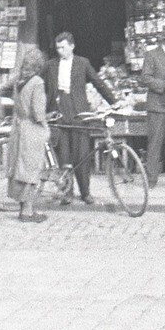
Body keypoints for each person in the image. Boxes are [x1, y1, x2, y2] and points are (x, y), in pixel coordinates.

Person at [44, 30, 109, 206]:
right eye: (57, 48)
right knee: (64, 156)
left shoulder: (83, 63)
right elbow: (38, 84)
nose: (60, 51)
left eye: (63, 48)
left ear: (72, 46)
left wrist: (114, 101)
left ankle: (85, 192)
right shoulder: (50, 65)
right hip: (59, 112)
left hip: (79, 113)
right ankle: (67, 192)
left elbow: (98, 82)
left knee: (82, 155)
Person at [4, 44, 51, 223]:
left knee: (21, 170)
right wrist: (45, 125)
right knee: (32, 170)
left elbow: (4, 90)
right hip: (32, 129)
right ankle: (28, 212)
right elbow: (38, 112)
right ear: (39, 66)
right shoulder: (37, 82)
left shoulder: (18, 81)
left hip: (19, 127)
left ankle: (23, 209)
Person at [139, 29, 165, 189]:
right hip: (157, 105)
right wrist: (164, 85)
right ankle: (151, 179)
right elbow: (145, 78)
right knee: (155, 142)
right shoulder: (151, 55)